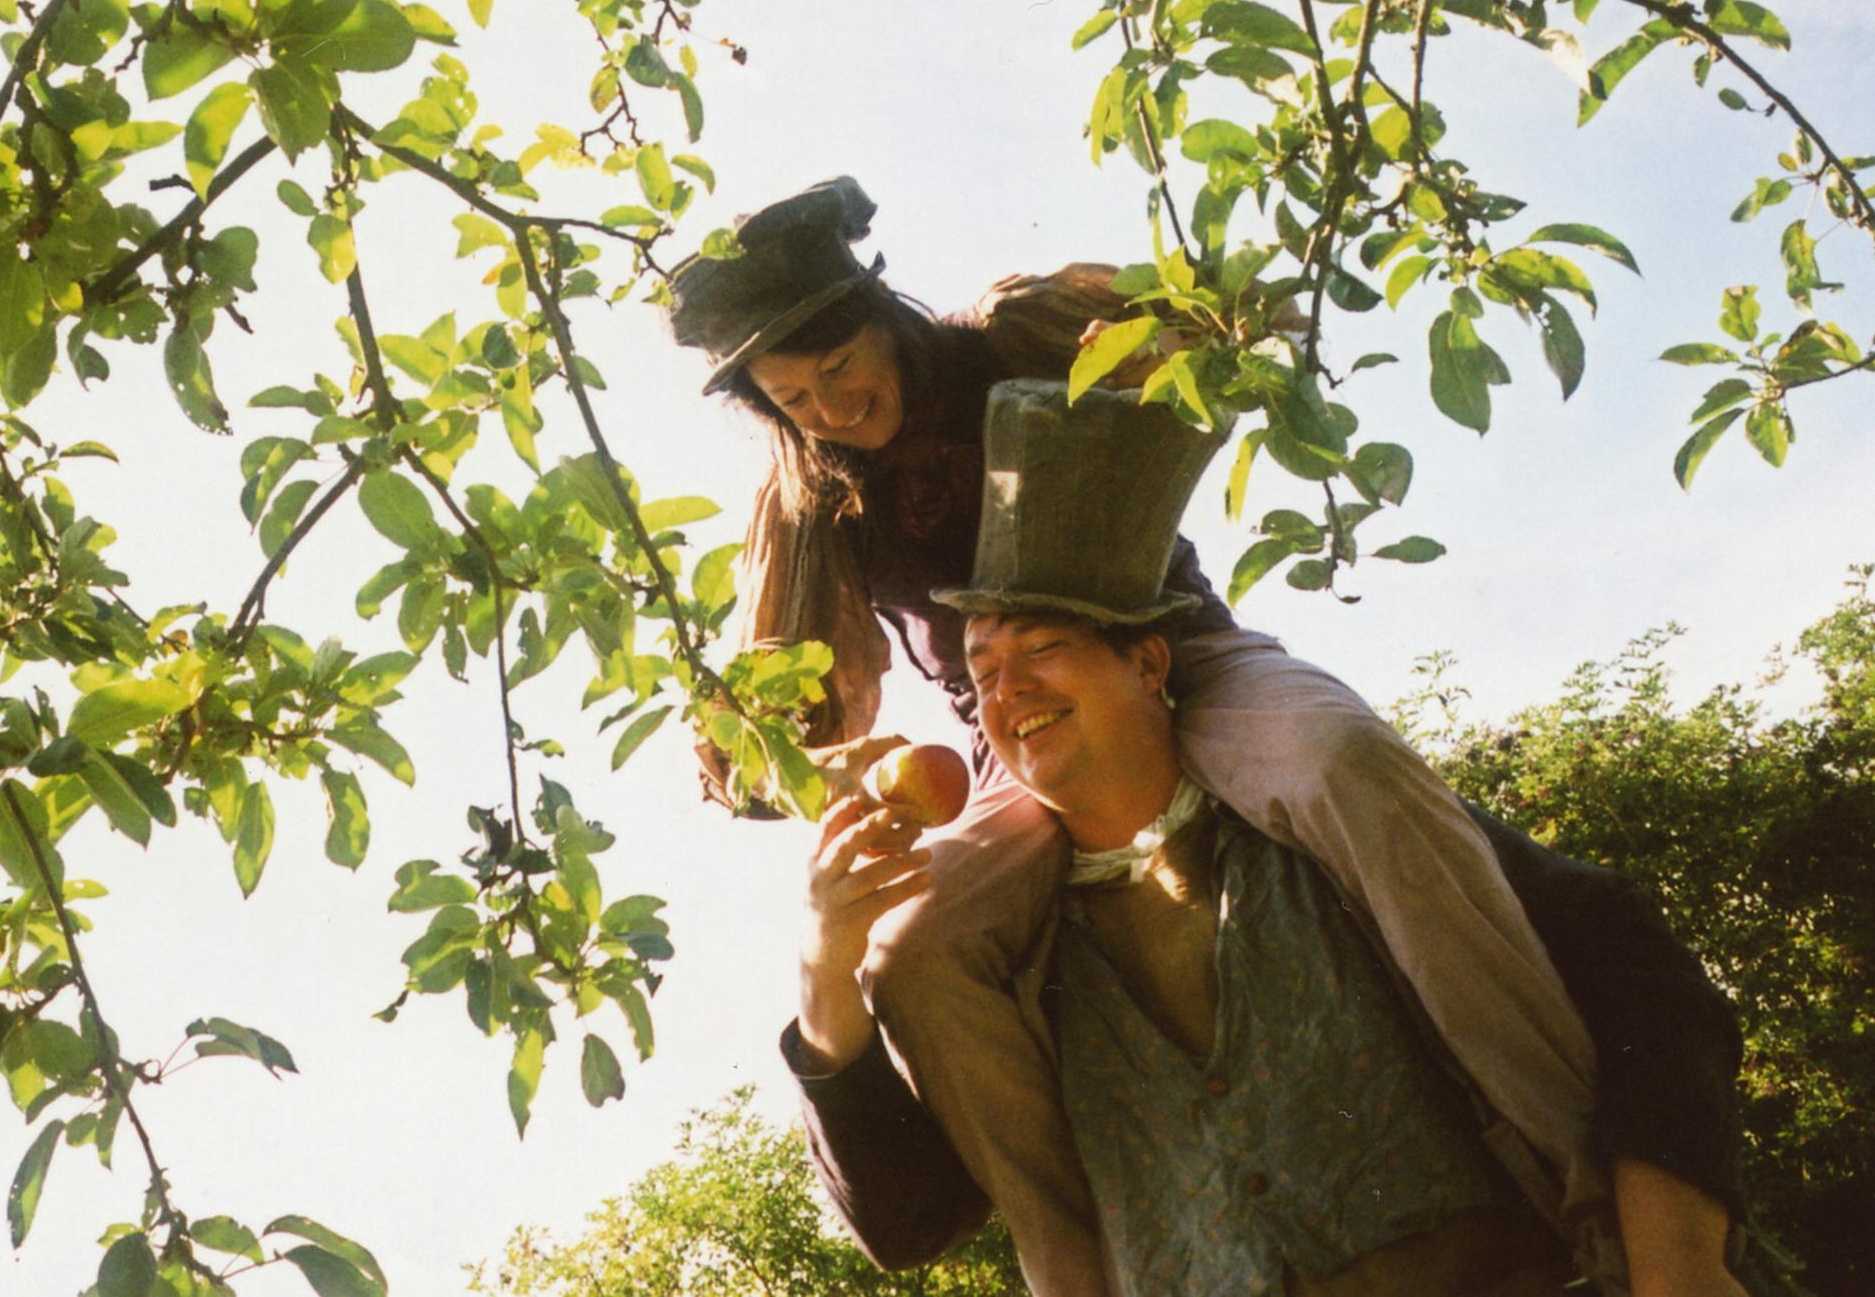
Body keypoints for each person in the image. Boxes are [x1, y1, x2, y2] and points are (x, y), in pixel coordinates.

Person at [665, 178, 1744, 1293]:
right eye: (795, 398)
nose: (831, 410)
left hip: (1178, 649)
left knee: (1342, 761)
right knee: (914, 951)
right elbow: (780, 719)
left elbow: (1231, 329)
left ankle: (1577, 1186)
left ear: (879, 312)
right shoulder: (807, 496)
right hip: (1012, 738)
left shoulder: (1007, 336)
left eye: (841, 370)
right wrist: (790, 756)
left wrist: (1187, 334)